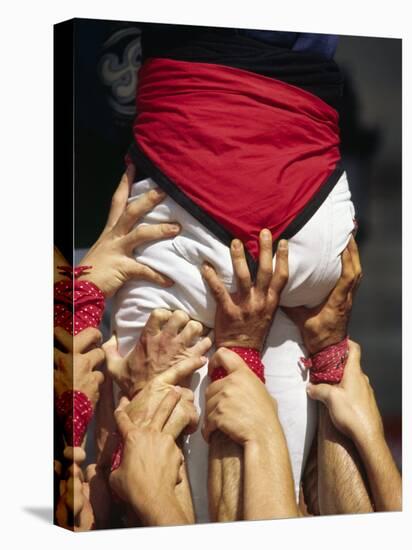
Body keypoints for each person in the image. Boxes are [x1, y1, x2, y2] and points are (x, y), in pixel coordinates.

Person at [112, 24, 356, 522]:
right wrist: (240, 353)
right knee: (151, 465)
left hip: (295, 222)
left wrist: (327, 355)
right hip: (195, 225)